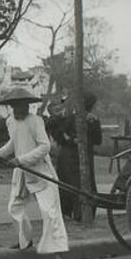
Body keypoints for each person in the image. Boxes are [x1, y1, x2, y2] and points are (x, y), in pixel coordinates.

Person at [0, 87, 69, 259]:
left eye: (24, 105)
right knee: (14, 207)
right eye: (17, 106)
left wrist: (22, 159)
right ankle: (24, 240)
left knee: (50, 212)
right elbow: (14, 143)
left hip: (41, 171)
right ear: (11, 107)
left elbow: (45, 147)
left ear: (28, 106)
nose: (21, 109)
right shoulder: (10, 122)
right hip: (21, 172)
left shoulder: (36, 121)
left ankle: (57, 252)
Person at [54, 92, 103, 221]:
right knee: (84, 184)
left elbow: (59, 136)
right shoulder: (93, 119)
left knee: (67, 184)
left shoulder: (67, 118)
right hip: (84, 157)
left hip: (66, 156)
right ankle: (84, 214)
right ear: (92, 105)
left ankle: (66, 213)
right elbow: (98, 140)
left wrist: (70, 140)